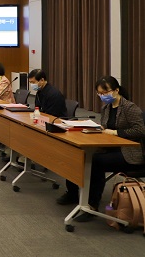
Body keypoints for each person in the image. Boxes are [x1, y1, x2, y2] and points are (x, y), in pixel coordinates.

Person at [56, 76, 145, 222]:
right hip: (111, 146)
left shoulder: (130, 108)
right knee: (77, 154)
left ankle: (92, 206)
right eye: (100, 93)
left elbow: (140, 130)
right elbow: (105, 126)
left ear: (116, 90)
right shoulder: (106, 108)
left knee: (95, 162)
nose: (103, 96)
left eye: (105, 92)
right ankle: (72, 193)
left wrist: (116, 132)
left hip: (129, 151)